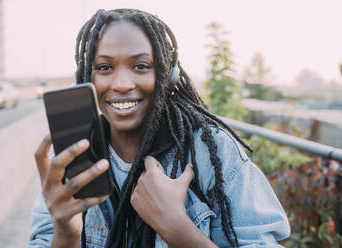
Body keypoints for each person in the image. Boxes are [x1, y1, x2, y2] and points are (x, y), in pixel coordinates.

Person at [29, 8, 290, 248]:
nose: (121, 83)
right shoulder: (73, 163)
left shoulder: (213, 153)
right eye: (105, 67)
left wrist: (178, 229)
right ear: (89, 77)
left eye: (141, 66)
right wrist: (66, 233)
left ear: (168, 74)